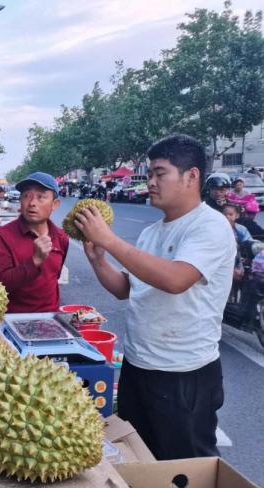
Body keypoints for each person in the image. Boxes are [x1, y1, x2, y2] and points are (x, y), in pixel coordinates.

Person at [74, 134, 235, 461]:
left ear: (192, 176)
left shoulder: (210, 227)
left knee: (187, 469)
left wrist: (110, 239)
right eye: (148, 175)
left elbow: (176, 279)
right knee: (141, 461)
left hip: (184, 375)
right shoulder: (151, 233)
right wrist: (97, 259)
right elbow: (124, 289)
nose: (150, 182)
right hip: (139, 367)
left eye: (160, 173)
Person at [0, 172, 69, 313]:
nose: (32, 203)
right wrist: (35, 261)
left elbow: (53, 278)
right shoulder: (1, 237)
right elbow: (0, 284)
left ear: (55, 204)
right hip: (14, 321)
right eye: (26, 195)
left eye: (41, 197)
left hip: (52, 319)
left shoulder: (61, 237)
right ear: (20, 200)